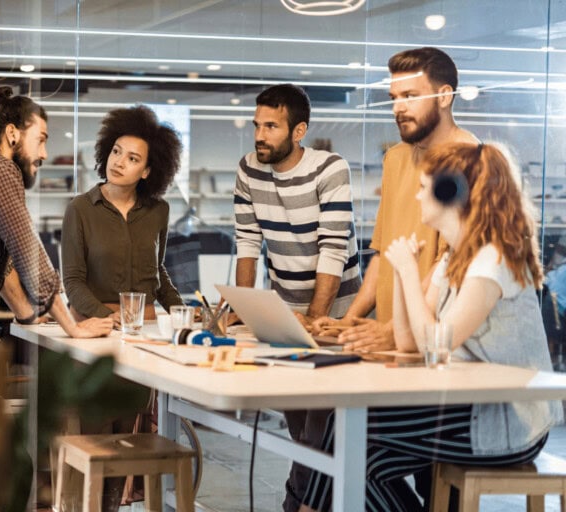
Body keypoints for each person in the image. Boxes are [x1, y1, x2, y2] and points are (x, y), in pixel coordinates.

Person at [302, 141, 563, 512]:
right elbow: (409, 343)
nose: (417, 195)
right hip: (469, 408)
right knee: (355, 451)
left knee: (346, 436)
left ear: (451, 196)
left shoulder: (493, 259)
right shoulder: (456, 256)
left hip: (505, 424)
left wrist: (408, 272)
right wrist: (402, 270)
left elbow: (433, 347)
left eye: (425, 188)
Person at [232, 83, 361, 511]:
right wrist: (242, 308)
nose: (259, 135)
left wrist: (315, 317)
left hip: (338, 311)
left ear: (299, 130)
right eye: (257, 125)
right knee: (297, 422)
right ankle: (318, 500)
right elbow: (248, 242)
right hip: (284, 310)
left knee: (318, 426)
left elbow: (333, 247)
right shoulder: (248, 170)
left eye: (271, 126)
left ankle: (300, 505)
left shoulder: (331, 169)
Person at [313, 47, 477, 352]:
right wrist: (350, 320)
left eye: (410, 96)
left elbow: (448, 265)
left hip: (433, 343)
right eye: (394, 99)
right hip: (387, 339)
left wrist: (395, 331)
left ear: (444, 96)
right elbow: (381, 254)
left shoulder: (471, 159)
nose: (397, 109)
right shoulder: (396, 158)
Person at [0, 87, 112, 338]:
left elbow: (2, 263)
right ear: (12, 133)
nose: (44, 154)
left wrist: (28, 314)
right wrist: (73, 327)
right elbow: (29, 254)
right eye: (41, 139)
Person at [61, 105, 184, 327]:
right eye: (116, 151)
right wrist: (106, 316)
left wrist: (181, 311)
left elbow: (157, 271)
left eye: (133, 159)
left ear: (147, 171)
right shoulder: (80, 208)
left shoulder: (158, 210)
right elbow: (73, 282)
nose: (118, 162)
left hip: (145, 324)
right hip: (94, 323)